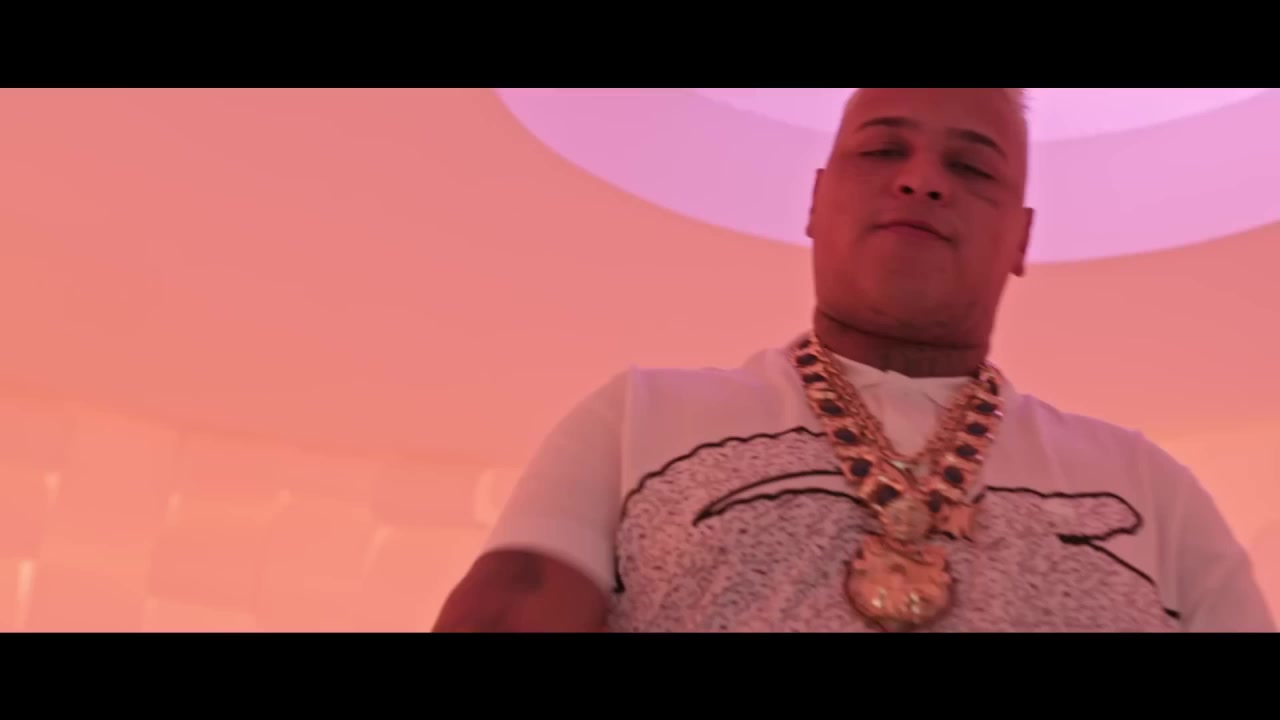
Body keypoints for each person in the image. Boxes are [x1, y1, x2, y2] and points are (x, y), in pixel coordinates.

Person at [432, 88, 1275, 632]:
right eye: (881, 151)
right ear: (815, 199)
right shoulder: (637, 418)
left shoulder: (1150, 491)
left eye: (971, 166)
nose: (922, 180)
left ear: (1021, 238)